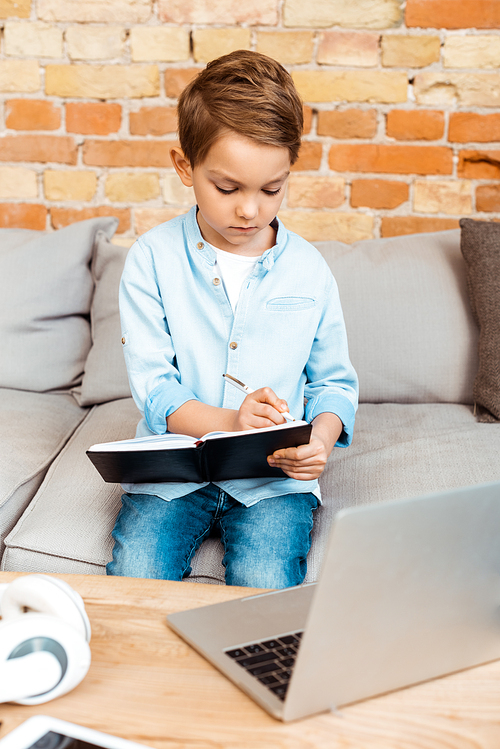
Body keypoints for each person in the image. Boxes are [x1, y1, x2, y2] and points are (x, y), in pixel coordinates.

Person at [107, 50, 358, 588]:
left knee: (266, 584)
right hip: (172, 473)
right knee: (137, 574)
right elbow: (156, 388)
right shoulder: (151, 260)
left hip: (274, 481)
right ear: (184, 167)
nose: (250, 210)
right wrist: (230, 425)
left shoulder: (309, 270)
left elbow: (334, 383)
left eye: (272, 189)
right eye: (228, 189)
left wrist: (319, 439)